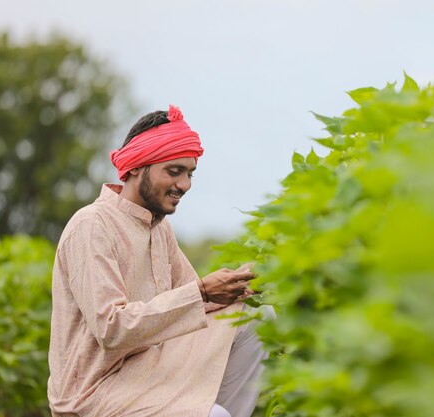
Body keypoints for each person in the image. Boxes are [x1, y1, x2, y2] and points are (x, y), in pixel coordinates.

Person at [47, 105, 273, 417]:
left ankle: (212, 410)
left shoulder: (158, 228)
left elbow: (192, 304)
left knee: (256, 319)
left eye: (190, 173)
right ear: (137, 166)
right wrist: (204, 292)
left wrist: (241, 285)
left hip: (147, 369)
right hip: (94, 392)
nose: (185, 185)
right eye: (174, 171)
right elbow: (111, 329)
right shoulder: (92, 225)